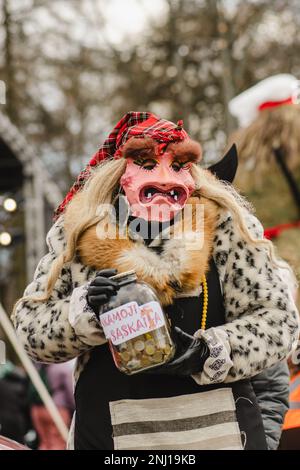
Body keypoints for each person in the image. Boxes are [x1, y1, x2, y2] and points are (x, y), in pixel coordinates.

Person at [12, 112, 300, 450]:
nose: (165, 178)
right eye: (146, 164)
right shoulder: (78, 235)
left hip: (219, 436)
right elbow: (30, 329)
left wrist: (206, 352)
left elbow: (279, 322)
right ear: (120, 175)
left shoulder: (227, 228)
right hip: (113, 440)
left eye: (179, 165)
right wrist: (85, 310)